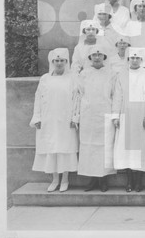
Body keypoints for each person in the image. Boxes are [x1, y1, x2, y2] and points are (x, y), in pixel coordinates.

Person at [29, 48, 79, 192]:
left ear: (66, 62)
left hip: (65, 120)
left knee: (65, 149)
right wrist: (37, 117)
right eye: (56, 61)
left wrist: (75, 117)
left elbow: (76, 99)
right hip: (48, 119)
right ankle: (54, 179)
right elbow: (38, 98)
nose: (59, 63)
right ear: (52, 62)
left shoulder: (72, 78)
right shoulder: (45, 78)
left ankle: (65, 179)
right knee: (52, 148)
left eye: (62, 61)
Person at [75, 45, 117, 192]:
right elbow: (79, 94)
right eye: (94, 55)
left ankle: (103, 179)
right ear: (90, 58)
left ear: (104, 57)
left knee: (104, 146)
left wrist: (114, 114)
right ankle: (92, 179)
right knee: (88, 146)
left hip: (105, 113)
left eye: (100, 55)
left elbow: (114, 94)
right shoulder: (84, 74)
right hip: (88, 115)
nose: (97, 57)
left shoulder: (111, 74)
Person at [112, 48, 145, 192]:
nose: (134, 60)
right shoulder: (122, 75)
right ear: (128, 60)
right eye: (132, 58)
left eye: (137, 58)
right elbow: (118, 96)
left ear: (141, 60)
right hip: (126, 115)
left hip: (141, 115)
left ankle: (139, 181)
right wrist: (115, 116)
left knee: (141, 147)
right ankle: (129, 181)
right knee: (127, 148)